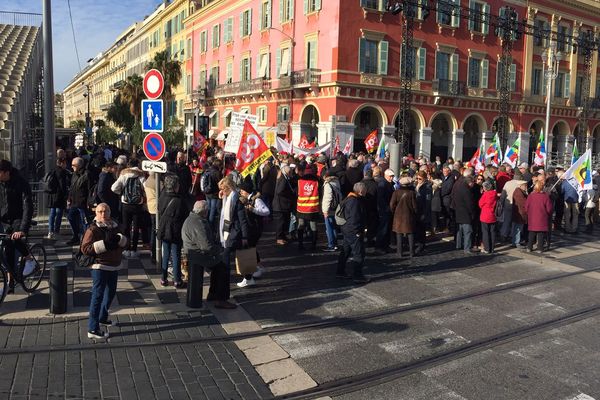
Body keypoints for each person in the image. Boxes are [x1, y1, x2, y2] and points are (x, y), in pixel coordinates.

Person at [81, 203, 128, 340]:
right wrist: (104, 245)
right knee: (97, 296)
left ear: (109, 212)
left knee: (111, 292)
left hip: (114, 265)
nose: (103, 214)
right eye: (100, 211)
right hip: (99, 266)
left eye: (106, 211)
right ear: (96, 213)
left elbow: (126, 243)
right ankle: (92, 328)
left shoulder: (116, 226)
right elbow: (85, 248)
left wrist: (121, 240)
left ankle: (102, 317)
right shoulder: (92, 229)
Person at [182, 201, 236, 309]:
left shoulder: (191, 218)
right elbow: (206, 246)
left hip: (193, 252)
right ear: (205, 211)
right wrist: (219, 250)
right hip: (197, 254)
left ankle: (213, 294)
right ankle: (221, 299)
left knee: (218, 267)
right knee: (222, 268)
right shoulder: (198, 222)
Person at [0, 160, 35, 293]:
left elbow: (28, 206)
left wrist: (22, 229)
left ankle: (29, 259)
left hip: (18, 218)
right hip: (5, 219)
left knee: (14, 239)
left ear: (6, 172)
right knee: (7, 252)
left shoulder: (21, 183)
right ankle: (11, 280)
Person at [218, 176, 249, 301]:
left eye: (223, 189)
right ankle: (248, 276)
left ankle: (225, 282)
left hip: (233, 233)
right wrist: (222, 197)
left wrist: (245, 236)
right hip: (228, 232)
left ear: (229, 188)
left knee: (226, 258)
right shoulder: (227, 198)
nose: (222, 192)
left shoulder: (236, 200)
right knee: (235, 256)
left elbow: (242, 220)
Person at [157, 174, 188, 288]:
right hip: (175, 231)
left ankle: (163, 278)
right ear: (176, 186)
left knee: (166, 254)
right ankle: (177, 280)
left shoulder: (162, 196)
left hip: (164, 230)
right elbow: (185, 215)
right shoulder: (179, 201)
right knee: (176, 254)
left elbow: (159, 210)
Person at [237, 181, 270, 287]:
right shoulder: (247, 199)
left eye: (242, 190)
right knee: (251, 248)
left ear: (246, 191)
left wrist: (254, 210)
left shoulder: (257, 200)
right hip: (251, 228)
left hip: (255, 228)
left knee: (249, 248)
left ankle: (250, 275)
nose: (240, 192)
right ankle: (256, 268)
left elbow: (266, 211)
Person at [111, 159, 146, 258]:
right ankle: (134, 250)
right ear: (138, 165)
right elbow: (146, 187)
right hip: (137, 205)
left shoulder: (124, 174)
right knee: (136, 227)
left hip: (125, 204)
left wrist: (122, 193)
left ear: (129, 165)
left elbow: (113, 188)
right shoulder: (141, 175)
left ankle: (126, 249)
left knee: (126, 227)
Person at [336, 182, 370, 284]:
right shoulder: (354, 201)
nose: (366, 192)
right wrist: (357, 232)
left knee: (345, 251)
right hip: (353, 230)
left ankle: (340, 271)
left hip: (347, 229)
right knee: (358, 253)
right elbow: (355, 218)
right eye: (365, 190)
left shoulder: (350, 198)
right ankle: (358, 276)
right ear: (360, 191)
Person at [66, 157, 91, 245]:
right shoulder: (74, 174)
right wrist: (69, 198)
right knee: (70, 217)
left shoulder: (86, 174)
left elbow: (89, 189)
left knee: (85, 221)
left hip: (82, 202)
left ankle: (86, 239)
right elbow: (72, 187)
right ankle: (76, 236)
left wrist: (89, 201)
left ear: (79, 165)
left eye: (73, 165)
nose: (72, 167)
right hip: (74, 202)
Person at [390, 177, 417, 258]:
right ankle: (412, 252)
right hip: (408, 216)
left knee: (399, 234)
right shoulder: (411, 193)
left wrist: (394, 211)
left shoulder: (396, 192)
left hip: (398, 216)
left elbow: (391, 204)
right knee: (410, 234)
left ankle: (399, 252)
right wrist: (415, 213)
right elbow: (415, 206)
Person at [296, 164, 320, 251]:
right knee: (313, 227)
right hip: (313, 208)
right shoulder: (317, 182)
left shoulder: (299, 182)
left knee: (301, 225)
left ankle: (300, 244)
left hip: (301, 208)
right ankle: (313, 245)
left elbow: (296, 194)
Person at [526, 181, 553, 253]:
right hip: (542, 218)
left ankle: (529, 247)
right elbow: (549, 209)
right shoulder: (545, 196)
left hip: (532, 217)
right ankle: (540, 248)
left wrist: (529, 213)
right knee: (540, 234)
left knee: (531, 233)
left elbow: (526, 207)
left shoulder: (530, 196)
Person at [452, 176, 477, 254]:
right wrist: (472, 213)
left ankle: (458, 245)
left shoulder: (458, 187)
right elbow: (470, 204)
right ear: (470, 182)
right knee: (468, 232)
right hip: (466, 214)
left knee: (459, 231)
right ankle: (467, 248)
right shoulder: (467, 191)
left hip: (458, 212)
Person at [273, 165, 296, 245]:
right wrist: (289, 194)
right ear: (288, 172)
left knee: (284, 221)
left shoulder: (284, 177)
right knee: (280, 222)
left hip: (282, 204)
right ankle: (279, 238)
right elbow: (280, 191)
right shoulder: (283, 179)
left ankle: (282, 236)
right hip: (280, 204)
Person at [46, 158, 69, 239]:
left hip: (52, 195)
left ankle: (50, 231)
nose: (66, 165)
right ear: (62, 163)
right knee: (59, 214)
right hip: (59, 196)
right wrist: (66, 195)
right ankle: (56, 231)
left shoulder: (52, 170)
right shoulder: (62, 172)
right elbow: (62, 185)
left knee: (52, 214)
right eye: (65, 163)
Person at [375, 169, 395, 253]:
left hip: (387, 209)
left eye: (392, 176)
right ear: (386, 176)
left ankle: (385, 245)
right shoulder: (383, 184)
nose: (392, 178)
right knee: (383, 229)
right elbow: (381, 199)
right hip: (384, 210)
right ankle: (379, 246)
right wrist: (386, 208)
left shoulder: (387, 183)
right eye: (390, 176)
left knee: (387, 228)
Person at [322, 170, 342, 252]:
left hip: (330, 209)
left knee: (329, 227)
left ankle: (331, 245)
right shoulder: (336, 182)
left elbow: (328, 198)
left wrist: (325, 211)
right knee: (334, 226)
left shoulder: (328, 185)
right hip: (336, 207)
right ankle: (335, 244)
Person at [478, 181, 497, 254]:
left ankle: (487, 248)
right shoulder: (494, 193)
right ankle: (492, 248)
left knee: (485, 232)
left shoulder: (485, 195)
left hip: (485, 215)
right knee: (492, 232)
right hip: (493, 215)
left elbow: (480, 204)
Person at [511, 181, 528, 248]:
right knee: (518, 228)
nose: (526, 187)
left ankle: (515, 242)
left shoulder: (519, 191)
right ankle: (516, 242)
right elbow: (523, 203)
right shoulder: (519, 192)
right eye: (525, 186)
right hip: (520, 213)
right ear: (521, 186)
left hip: (518, 213)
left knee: (517, 228)